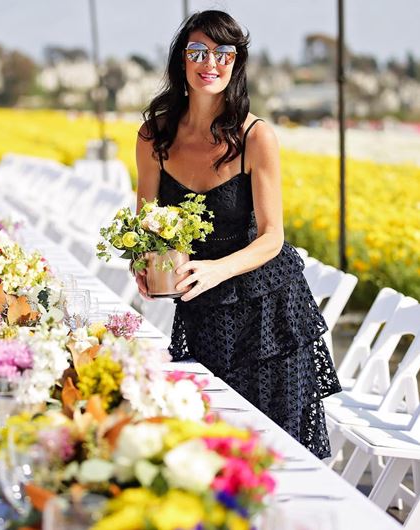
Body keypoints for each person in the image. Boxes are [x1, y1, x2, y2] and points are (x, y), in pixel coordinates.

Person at [134, 10, 341, 459]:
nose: (211, 63)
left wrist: (215, 270)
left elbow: (272, 236)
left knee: (274, 451)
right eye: (198, 52)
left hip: (269, 310)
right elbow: (146, 226)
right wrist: (143, 265)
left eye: (223, 53)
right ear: (181, 61)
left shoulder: (255, 137)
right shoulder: (154, 136)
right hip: (202, 307)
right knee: (207, 439)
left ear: (236, 63)